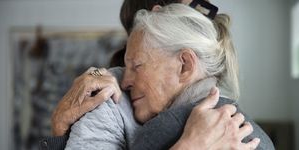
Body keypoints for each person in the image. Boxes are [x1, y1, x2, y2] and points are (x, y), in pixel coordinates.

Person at [43, 1, 270, 150]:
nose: (205, 18)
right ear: (157, 11)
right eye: (191, 9)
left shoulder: (222, 114)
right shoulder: (108, 96)